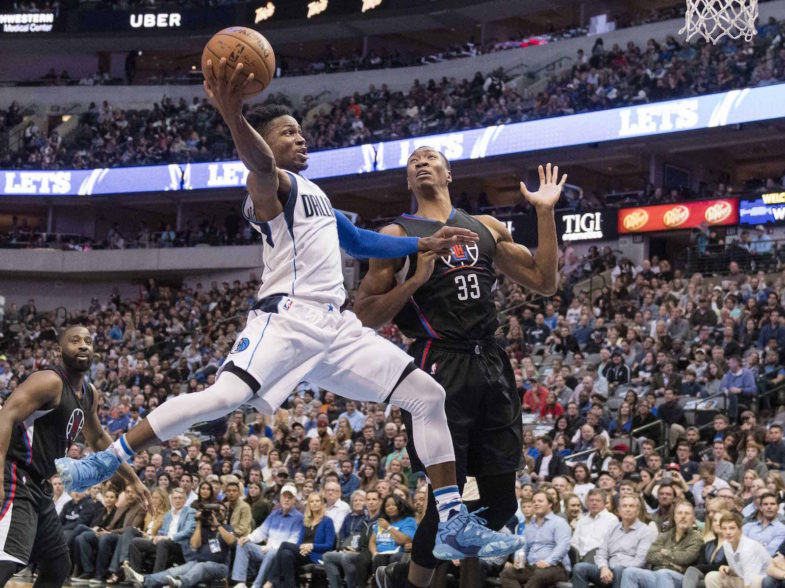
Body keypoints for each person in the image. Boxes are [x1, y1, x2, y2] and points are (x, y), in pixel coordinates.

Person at [56, 59, 523, 565]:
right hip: (287, 321)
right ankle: (106, 460)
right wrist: (234, 115)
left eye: (301, 133)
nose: (301, 140)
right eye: (288, 134)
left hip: (336, 327)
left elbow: (361, 240)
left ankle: (452, 520)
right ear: (265, 142)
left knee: (427, 394)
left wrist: (424, 241)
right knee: (223, 397)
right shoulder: (269, 187)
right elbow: (257, 164)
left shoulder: (319, 194)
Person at [354, 143, 562, 588]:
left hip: (490, 361)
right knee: (444, 500)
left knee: (502, 502)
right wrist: (416, 279)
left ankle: (405, 576)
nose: (421, 162)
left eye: (430, 158)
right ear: (409, 181)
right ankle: (414, 583)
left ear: (449, 175)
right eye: (413, 162)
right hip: (437, 365)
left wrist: (544, 213)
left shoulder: (484, 226)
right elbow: (365, 314)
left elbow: (545, 282)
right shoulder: (396, 234)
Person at [0, 324, 149, 587]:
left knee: (57, 565)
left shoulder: (89, 394)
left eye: (88, 341)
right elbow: (5, 416)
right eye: (74, 340)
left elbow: (100, 440)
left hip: (40, 487)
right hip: (16, 477)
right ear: (59, 350)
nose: (83, 345)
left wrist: (132, 479)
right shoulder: (49, 381)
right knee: (7, 560)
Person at [123, 502, 236, 588]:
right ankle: (144, 580)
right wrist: (199, 522)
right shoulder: (203, 528)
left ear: (226, 513)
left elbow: (231, 541)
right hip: (198, 563)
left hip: (220, 566)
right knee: (173, 571)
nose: (219, 513)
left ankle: (181, 583)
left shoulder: (227, 528)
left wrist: (217, 525)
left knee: (201, 566)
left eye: (221, 511)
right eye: (216, 511)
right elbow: (194, 545)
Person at [572, 494, 656, 588]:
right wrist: (604, 567)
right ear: (619, 511)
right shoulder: (613, 528)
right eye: (624, 506)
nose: (627, 509)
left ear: (638, 511)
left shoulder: (645, 531)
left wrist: (615, 567)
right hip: (608, 571)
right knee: (580, 568)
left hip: (629, 573)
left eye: (631, 506)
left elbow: (640, 561)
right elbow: (601, 554)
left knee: (619, 570)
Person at [230, 483, 303, 588]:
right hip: (266, 549)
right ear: (280, 498)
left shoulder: (298, 518)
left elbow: (293, 541)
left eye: (289, 497)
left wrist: (271, 548)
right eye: (284, 497)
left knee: (272, 553)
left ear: (294, 501)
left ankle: (256, 585)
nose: (286, 500)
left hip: (278, 553)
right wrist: (249, 538)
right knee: (242, 544)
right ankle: (240, 582)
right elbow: (262, 531)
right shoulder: (274, 514)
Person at [620, 501, 703, 588]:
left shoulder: (696, 538)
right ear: (674, 517)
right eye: (679, 513)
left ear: (693, 518)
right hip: (656, 574)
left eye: (687, 513)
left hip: (679, 577)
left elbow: (685, 558)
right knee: (629, 572)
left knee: (663, 574)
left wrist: (665, 552)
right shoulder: (665, 535)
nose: (683, 516)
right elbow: (650, 555)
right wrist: (672, 563)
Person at [500, 490, 572, 588]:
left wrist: (547, 562)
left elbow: (563, 546)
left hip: (556, 567)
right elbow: (523, 546)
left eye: (540, 501)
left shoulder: (559, 522)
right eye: (534, 502)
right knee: (507, 574)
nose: (536, 504)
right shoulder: (529, 526)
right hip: (532, 566)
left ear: (550, 504)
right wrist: (518, 560)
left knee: (538, 575)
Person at [264, 491, 335, 588]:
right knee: (286, 554)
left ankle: (270, 581)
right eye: (312, 501)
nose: (314, 503)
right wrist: (303, 549)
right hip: (303, 553)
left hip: (316, 556)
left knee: (285, 544)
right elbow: (299, 542)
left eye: (317, 501)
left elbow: (329, 545)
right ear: (309, 505)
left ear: (322, 504)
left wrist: (311, 546)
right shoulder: (306, 521)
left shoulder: (327, 521)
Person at [128, 488, 196, 574]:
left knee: (163, 542)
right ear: (171, 500)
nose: (177, 500)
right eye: (175, 498)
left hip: (179, 545)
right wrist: (156, 537)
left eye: (180, 498)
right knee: (135, 542)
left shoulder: (190, 512)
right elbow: (162, 531)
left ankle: (155, 577)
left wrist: (169, 537)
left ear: (185, 500)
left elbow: (188, 531)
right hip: (164, 543)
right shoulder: (168, 515)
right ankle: (135, 574)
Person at [705, 510, 769, 588]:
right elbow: (739, 572)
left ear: (740, 529)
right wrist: (729, 570)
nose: (728, 532)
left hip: (761, 584)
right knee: (711, 577)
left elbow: (749, 583)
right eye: (724, 529)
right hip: (743, 580)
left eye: (732, 528)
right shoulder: (726, 544)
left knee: (754, 582)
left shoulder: (748, 548)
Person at [323, 489, 374, 588]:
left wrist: (355, 549)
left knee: (346, 557)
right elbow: (342, 535)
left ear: (366, 503)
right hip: (345, 548)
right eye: (355, 500)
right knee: (327, 556)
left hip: (360, 550)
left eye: (361, 500)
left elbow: (367, 538)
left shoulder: (367, 517)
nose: (358, 502)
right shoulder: (348, 517)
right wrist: (343, 547)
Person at [369, 494, 418, 574]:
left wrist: (389, 527)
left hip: (397, 553)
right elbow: (372, 542)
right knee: (378, 558)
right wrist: (374, 553)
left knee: (393, 559)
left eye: (394, 505)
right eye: (387, 506)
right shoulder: (382, 521)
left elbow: (406, 540)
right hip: (380, 554)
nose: (390, 507)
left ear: (400, 506)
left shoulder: (408, 521)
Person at [572, 489, 619, 560]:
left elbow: (611, 545)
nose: (594, 503)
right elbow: (574, 542)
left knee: (581, 567)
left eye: (597, 500)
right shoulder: (582, 520)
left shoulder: (611, 519)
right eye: (591, 500)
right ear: (587, 503)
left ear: (604, 503)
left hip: (598, 558)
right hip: (579, 557)